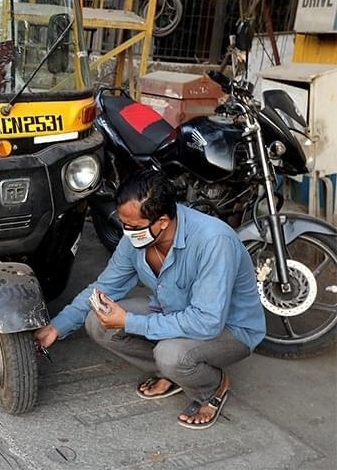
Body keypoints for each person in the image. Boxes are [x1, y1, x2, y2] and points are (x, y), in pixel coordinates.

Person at [34, 170, 265, 430]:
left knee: (171, 354)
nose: (127, 232)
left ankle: (211, 387)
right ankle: (173, 374)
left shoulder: (213, 241)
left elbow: (207, 322)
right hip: (173, 310)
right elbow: (104, 288)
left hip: (230, 329)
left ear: (163, 222)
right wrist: (57, 326)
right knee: (97, 322)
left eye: (133, 227)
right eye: (124, 224)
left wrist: (130, 322)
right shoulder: (135, 238)